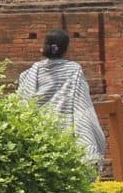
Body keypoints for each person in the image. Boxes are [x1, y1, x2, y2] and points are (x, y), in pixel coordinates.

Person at [16, 30, 109, 178]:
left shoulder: (31, 72)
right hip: (66, 135)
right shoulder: (74, 70)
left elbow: (23, 99)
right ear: (66, 49)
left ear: (45, 46)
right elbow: (81, 102)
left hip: (36, 134)